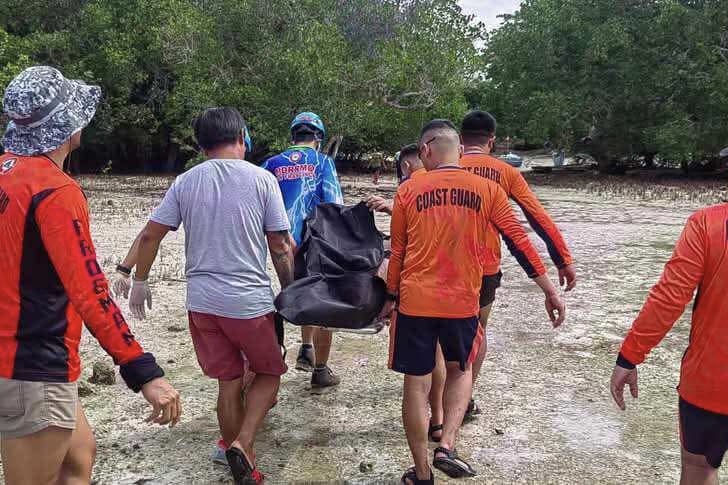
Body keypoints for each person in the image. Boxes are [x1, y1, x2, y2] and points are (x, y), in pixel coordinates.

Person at [0, 66, 181, 485]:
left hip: (18, 360)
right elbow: (91, 293)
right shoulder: (56, 192)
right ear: (66, 126)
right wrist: (144, 372)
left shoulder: (8, 173)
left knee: (78, 457)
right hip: (34, 366)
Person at [382, 119, 565, 484]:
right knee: (461, 369)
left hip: (416, 302)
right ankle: (447, 443)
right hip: (462, 302)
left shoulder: (408, 190)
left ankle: (421, 473)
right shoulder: (486, 189)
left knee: (415, 384)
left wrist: (389, 297)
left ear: (425, 151)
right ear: (461, 151)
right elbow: (518, 240)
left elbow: (398, 251)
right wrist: (549, 288)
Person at [128, 107, 293, 484]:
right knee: (269, 371)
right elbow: (280, 245)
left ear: (202, 146)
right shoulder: (262, 179)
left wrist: (140, 280)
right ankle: (243, 444)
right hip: (248, 302)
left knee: (229, 382)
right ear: (241, 136)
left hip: (202, 303)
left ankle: (237, 456)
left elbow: (151, 234)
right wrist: (291, 291)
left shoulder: (186, 181)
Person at [457, 110, 577, 420]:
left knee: (441, 336)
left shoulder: (444, 166)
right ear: (492, 141)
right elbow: (537, 219)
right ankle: (464, 400)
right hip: (483, 267)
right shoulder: (506, 173)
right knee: (476, 334)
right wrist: (562, 260)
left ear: (460, 139)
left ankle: (441, 407)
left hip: (439, 267)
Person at [610, 203, 728, 485]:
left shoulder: (709, 223)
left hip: (712, 380)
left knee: (699, 468)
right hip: (709, 381)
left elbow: (670, 297)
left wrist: (629, 357)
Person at [262, 112, 344, 388]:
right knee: (321, 301)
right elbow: (334, 206)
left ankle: (305, 348)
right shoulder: (323, 163)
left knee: (294, 290)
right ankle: (320, 369)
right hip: (314, 242)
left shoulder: (271, 164)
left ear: (293, 137)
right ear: (318, 139)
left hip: (280, 243)